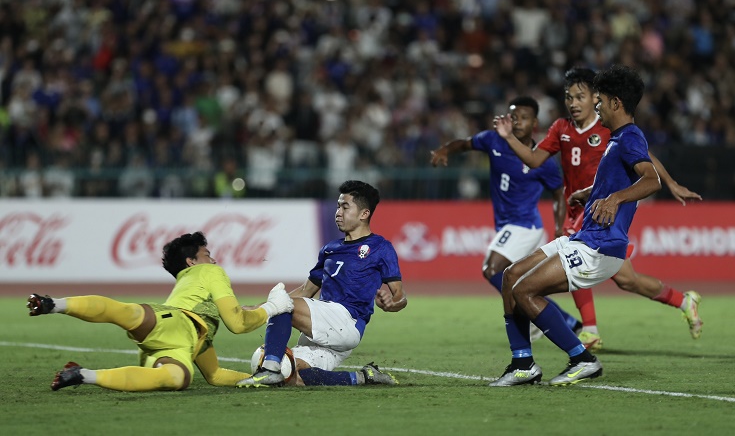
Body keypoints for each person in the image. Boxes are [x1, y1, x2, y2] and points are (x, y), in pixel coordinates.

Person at [494, 68, 703, 350]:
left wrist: (670, 182)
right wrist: (509, 139)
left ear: (598, 97)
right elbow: (534, 159)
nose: (574, 103)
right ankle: (683, 300)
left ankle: (589, 331)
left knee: (561, 259)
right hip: (585, 203)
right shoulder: (562, 128)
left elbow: (645, 161)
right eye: (569, 97)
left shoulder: (612, 129)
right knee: (627, 280)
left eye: (581, 96)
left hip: (600, 213)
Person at [27, 231, 294, 392]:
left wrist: (256, 379)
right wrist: (272, 308)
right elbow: (237, 323)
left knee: (177, 378)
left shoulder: (191, 295)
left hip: (179, 342)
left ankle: (82, 375)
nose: (213, 260)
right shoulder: (211, 271)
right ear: (193, 261)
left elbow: (214, 375)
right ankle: (54, 304)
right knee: (127, 313)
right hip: (175, 323)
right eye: (207, 254)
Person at [430, 96, 581, 333]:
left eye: (524, 118)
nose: (517, 122)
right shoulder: (493, 140)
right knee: (519, 282)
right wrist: (445, 149)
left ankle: (530, 323)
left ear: (535, 124)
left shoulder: (542, 159)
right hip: (507, 225)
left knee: (492, 269)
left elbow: (558, 192)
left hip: (525, 225)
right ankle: (567, 322)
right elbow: (465, 143)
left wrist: (560, 227)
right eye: (514, 117)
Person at [237, 180, 407, 388]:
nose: (338, 212)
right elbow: (306, 291)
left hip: (347, 321)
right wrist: (264, 306)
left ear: (364, 214)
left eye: (345, 207)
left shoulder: (381, 247)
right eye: (337, 206)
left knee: (283, 303)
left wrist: (392, 302)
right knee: (291, 375)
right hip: (325, 327)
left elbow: (400, 296)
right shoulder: (330, 249)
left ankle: (268, 370)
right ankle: (364, 377)